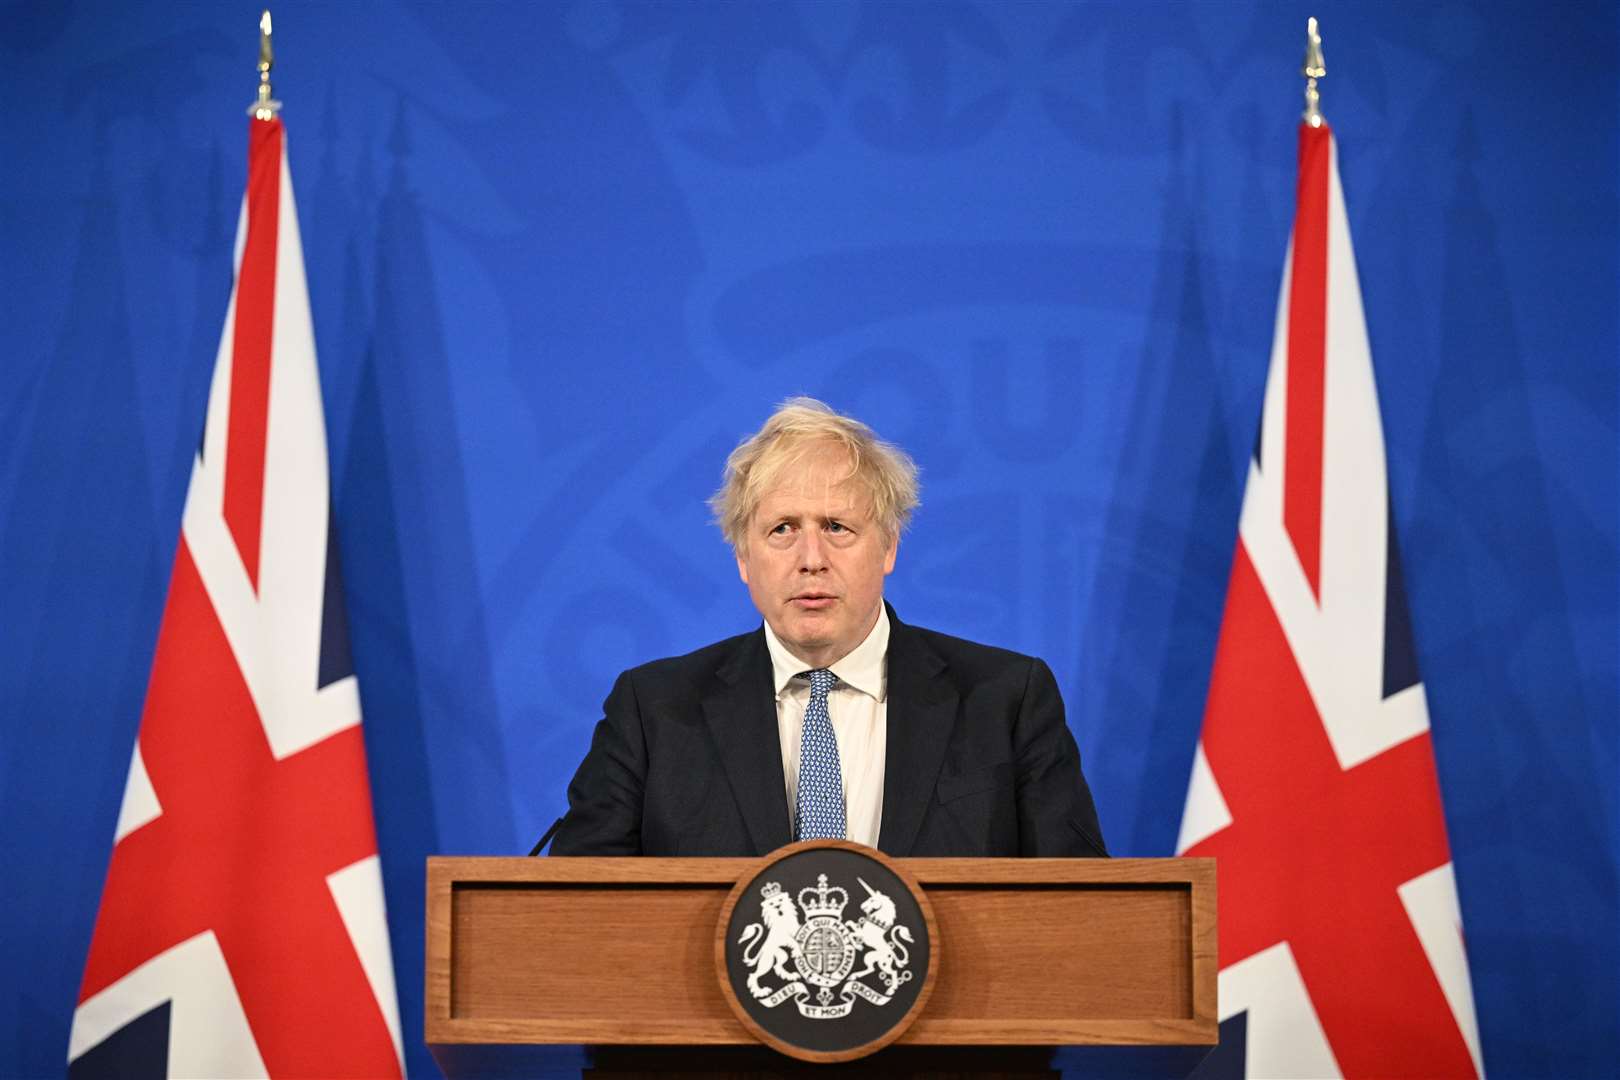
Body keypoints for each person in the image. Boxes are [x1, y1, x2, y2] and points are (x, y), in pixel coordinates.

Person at [549, 398, 1106, 858]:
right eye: (782, 529)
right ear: (744, 557)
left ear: (888, 545)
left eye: (837, 527)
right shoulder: (654, 712)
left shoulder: (1005, 701)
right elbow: (570, 909)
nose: (810, 558)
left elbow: (1081, 908)